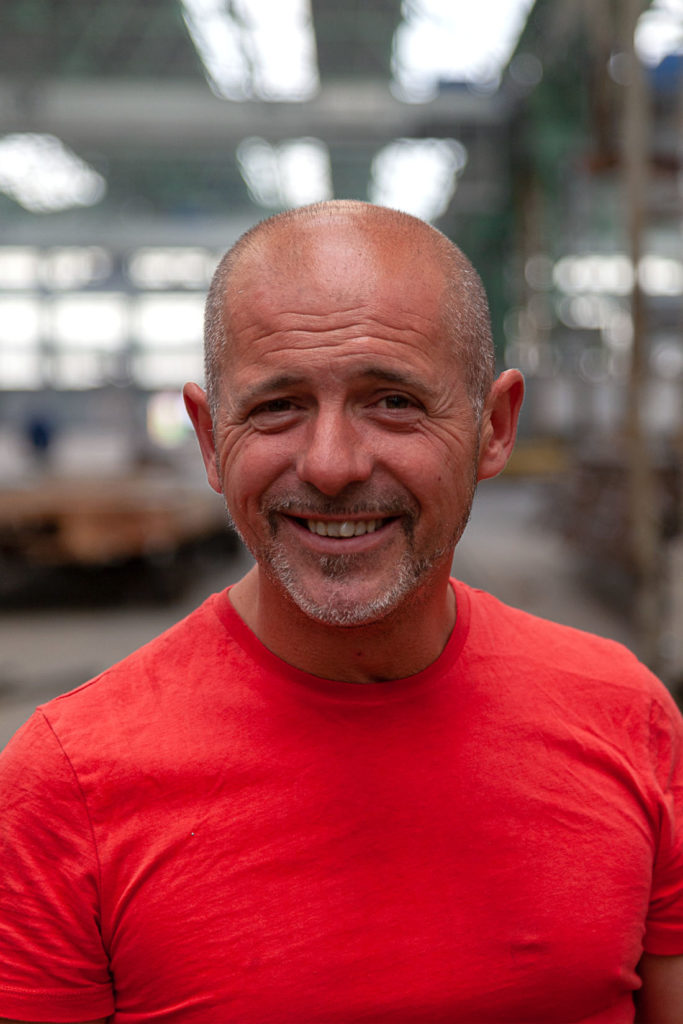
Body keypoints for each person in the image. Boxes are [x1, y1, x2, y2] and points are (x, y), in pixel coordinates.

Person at [0, 200, 682, 1024]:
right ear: (212, 441)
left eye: (391, 400)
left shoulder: (627, 718)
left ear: (493, 427)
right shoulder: (65, 786)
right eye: (277, 406)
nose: (330, 465)